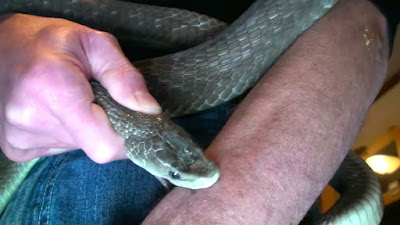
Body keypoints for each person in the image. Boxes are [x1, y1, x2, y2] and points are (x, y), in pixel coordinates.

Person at [0, 0, 397, 224]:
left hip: (268, 131)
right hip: (73, 154)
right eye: (175, 171)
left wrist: (244, 199)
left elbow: (367, 17)